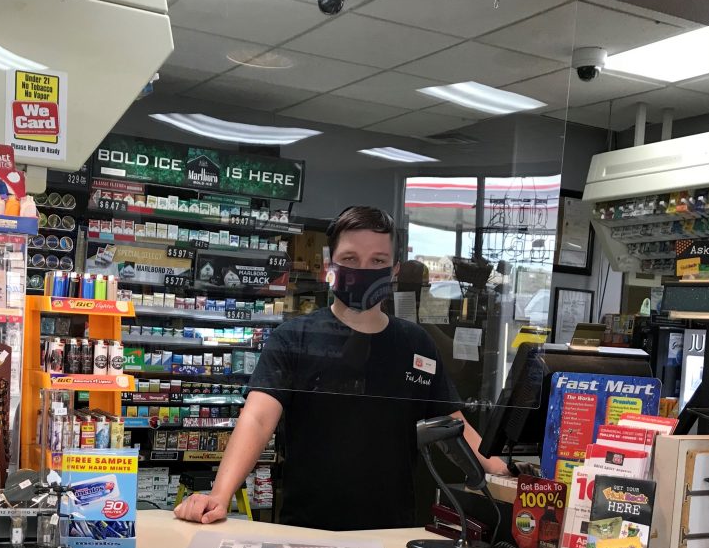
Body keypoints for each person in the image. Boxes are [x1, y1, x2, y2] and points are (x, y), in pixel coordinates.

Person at [174, 206, 509, 530]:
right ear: (328, 267)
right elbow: (258, 418)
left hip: (390, 531)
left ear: (393, 270)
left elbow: (453, 423)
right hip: (305, 531)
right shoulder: (296, 337)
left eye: (377, 261)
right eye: (350, 259)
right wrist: (220, 494)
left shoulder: (415, 344)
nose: (363, 270)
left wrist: (504, 472)